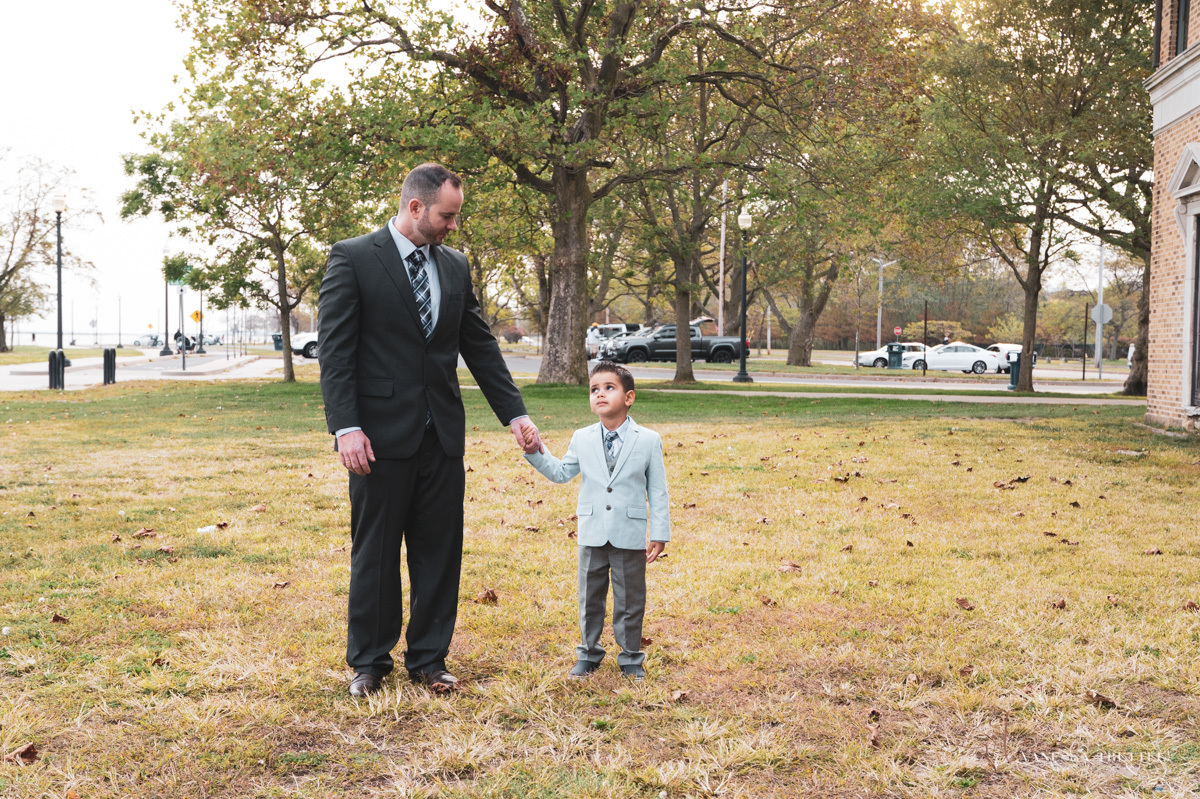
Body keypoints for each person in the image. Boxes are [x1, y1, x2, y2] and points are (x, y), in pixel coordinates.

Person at [318, 163, 543, 697]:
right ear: (415, 207)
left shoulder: (456, 266)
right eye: (447, 215)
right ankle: (369, 662)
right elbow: (335, 353)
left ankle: (429, 658)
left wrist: (515, 413)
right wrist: (346, 427)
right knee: (375, 553)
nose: (453, 226)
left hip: (441, 434)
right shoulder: (353, 258)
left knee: (439, 551)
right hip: (376, 438)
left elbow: (479, 346)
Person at [523, 362, 670, 681]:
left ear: (629, 397)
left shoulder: (648, 440)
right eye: (594, 389)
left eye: (609, 387)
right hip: (592, 532)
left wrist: (659, 533)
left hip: (629, 532)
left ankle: (631, 657)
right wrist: (536, 450)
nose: (600, 394)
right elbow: (561, 473)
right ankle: (588, 653)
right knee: (589, 598)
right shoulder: (582, 438)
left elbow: (657, 490)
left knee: (630, 599)